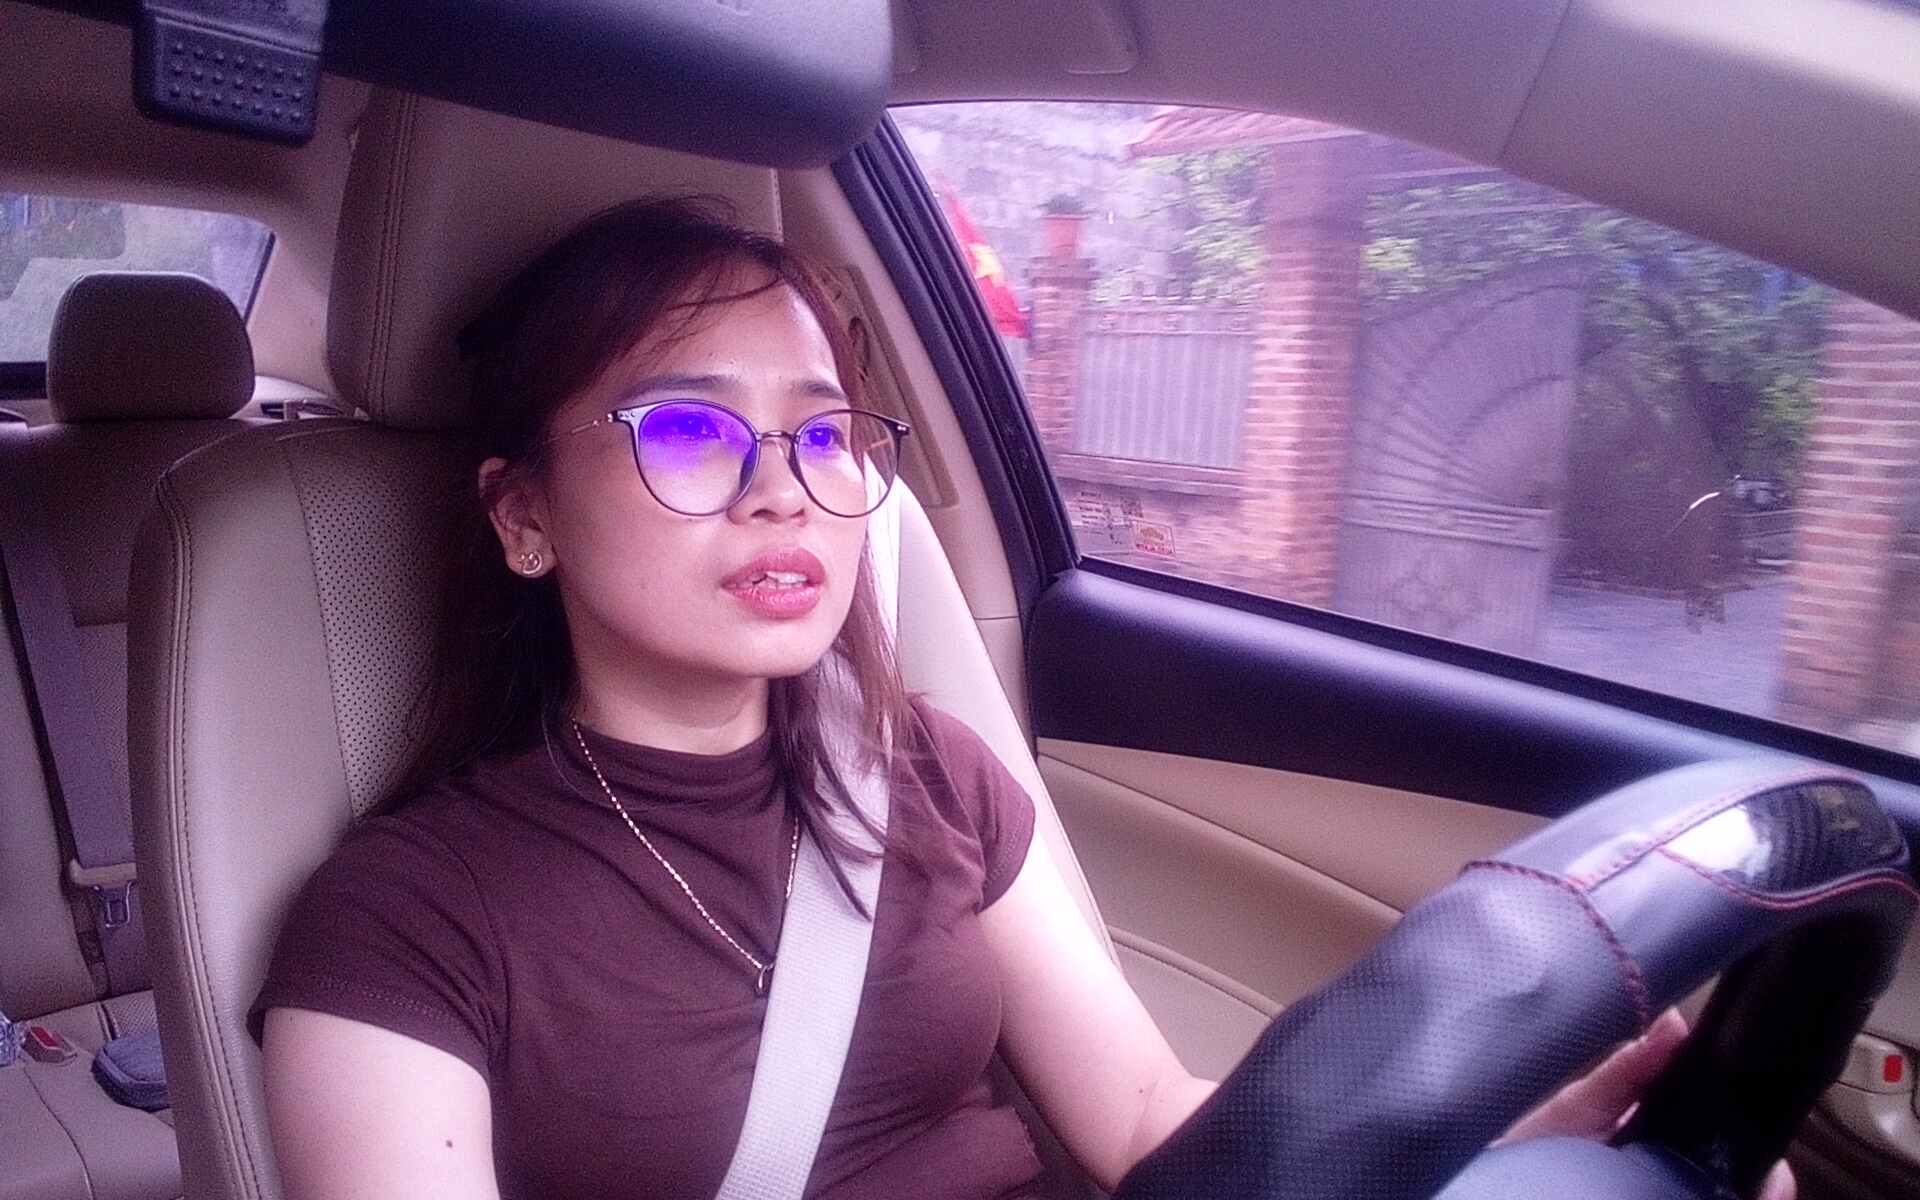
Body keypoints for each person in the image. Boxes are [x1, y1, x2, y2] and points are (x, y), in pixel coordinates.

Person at [250, 197, 1793, 1200]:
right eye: (691, 434)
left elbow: (1142, 1119)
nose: (786, 490)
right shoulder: (406, 919)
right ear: (523, 515)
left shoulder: (927, 772)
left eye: (825, 436)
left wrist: (1506, 1129)